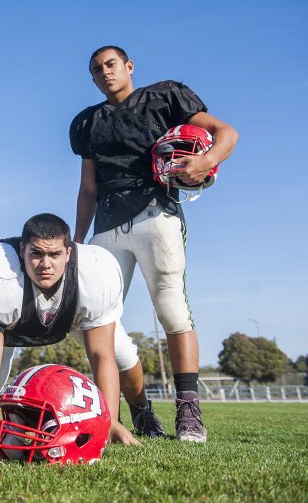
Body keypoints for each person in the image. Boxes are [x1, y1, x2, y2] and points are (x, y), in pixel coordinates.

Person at [70, 45, 239, 442]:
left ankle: (188, 412)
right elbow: (87, 188)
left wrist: (203, 161)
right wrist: (77, 242)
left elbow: (227, 133)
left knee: (172, 310)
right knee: (91, 320)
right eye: (96, 70)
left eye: (111, 65)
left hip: (154, 212)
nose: (104, 73)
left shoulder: (164, 96)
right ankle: (141, 410)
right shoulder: (87, 122)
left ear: (128, 66)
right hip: (107, 224)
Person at [0, 213, 163, 448]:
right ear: (21, 250)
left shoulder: (95, 273)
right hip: (12, 317)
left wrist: (107, 421)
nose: (45, 264)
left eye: (54, 254)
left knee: (124, 356)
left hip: (73, 316)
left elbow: (101, 355)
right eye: (36, 253)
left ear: (68, 253)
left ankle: (141, 410)